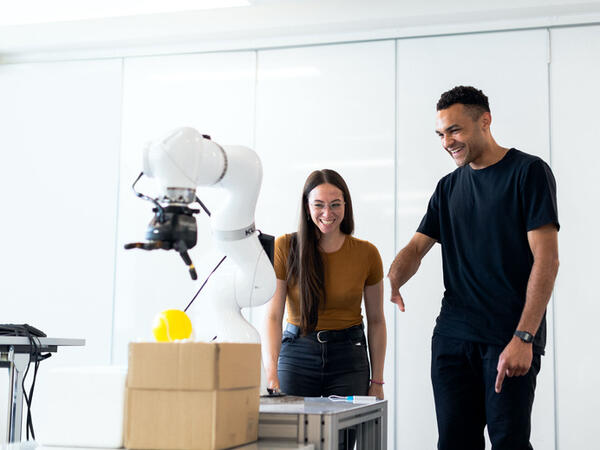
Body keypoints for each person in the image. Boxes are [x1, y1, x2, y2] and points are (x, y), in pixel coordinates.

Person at [388, 86, 559, 450]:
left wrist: (524, 337)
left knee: (508, 441)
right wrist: (394, 278)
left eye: (455, 130)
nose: (447, 142)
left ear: (485, 121)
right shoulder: (448, 187)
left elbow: (547, 259)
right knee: (454, 442)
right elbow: (417, 247)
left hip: (508, 337)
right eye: (441, 134)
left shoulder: (528, 173)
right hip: (453, 337)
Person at [263, 169, 386, 402]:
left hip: (348, 357)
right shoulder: (285, 246)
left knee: (343, 437)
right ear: (307, 207)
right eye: (319, 204)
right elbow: (273, 316)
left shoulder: (367, 253)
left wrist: (377, 382)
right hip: (297, 353)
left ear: (345, 206)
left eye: (335, 204)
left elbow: (377, 320)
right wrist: (271, 374)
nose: (327, 213)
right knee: (293, 435)